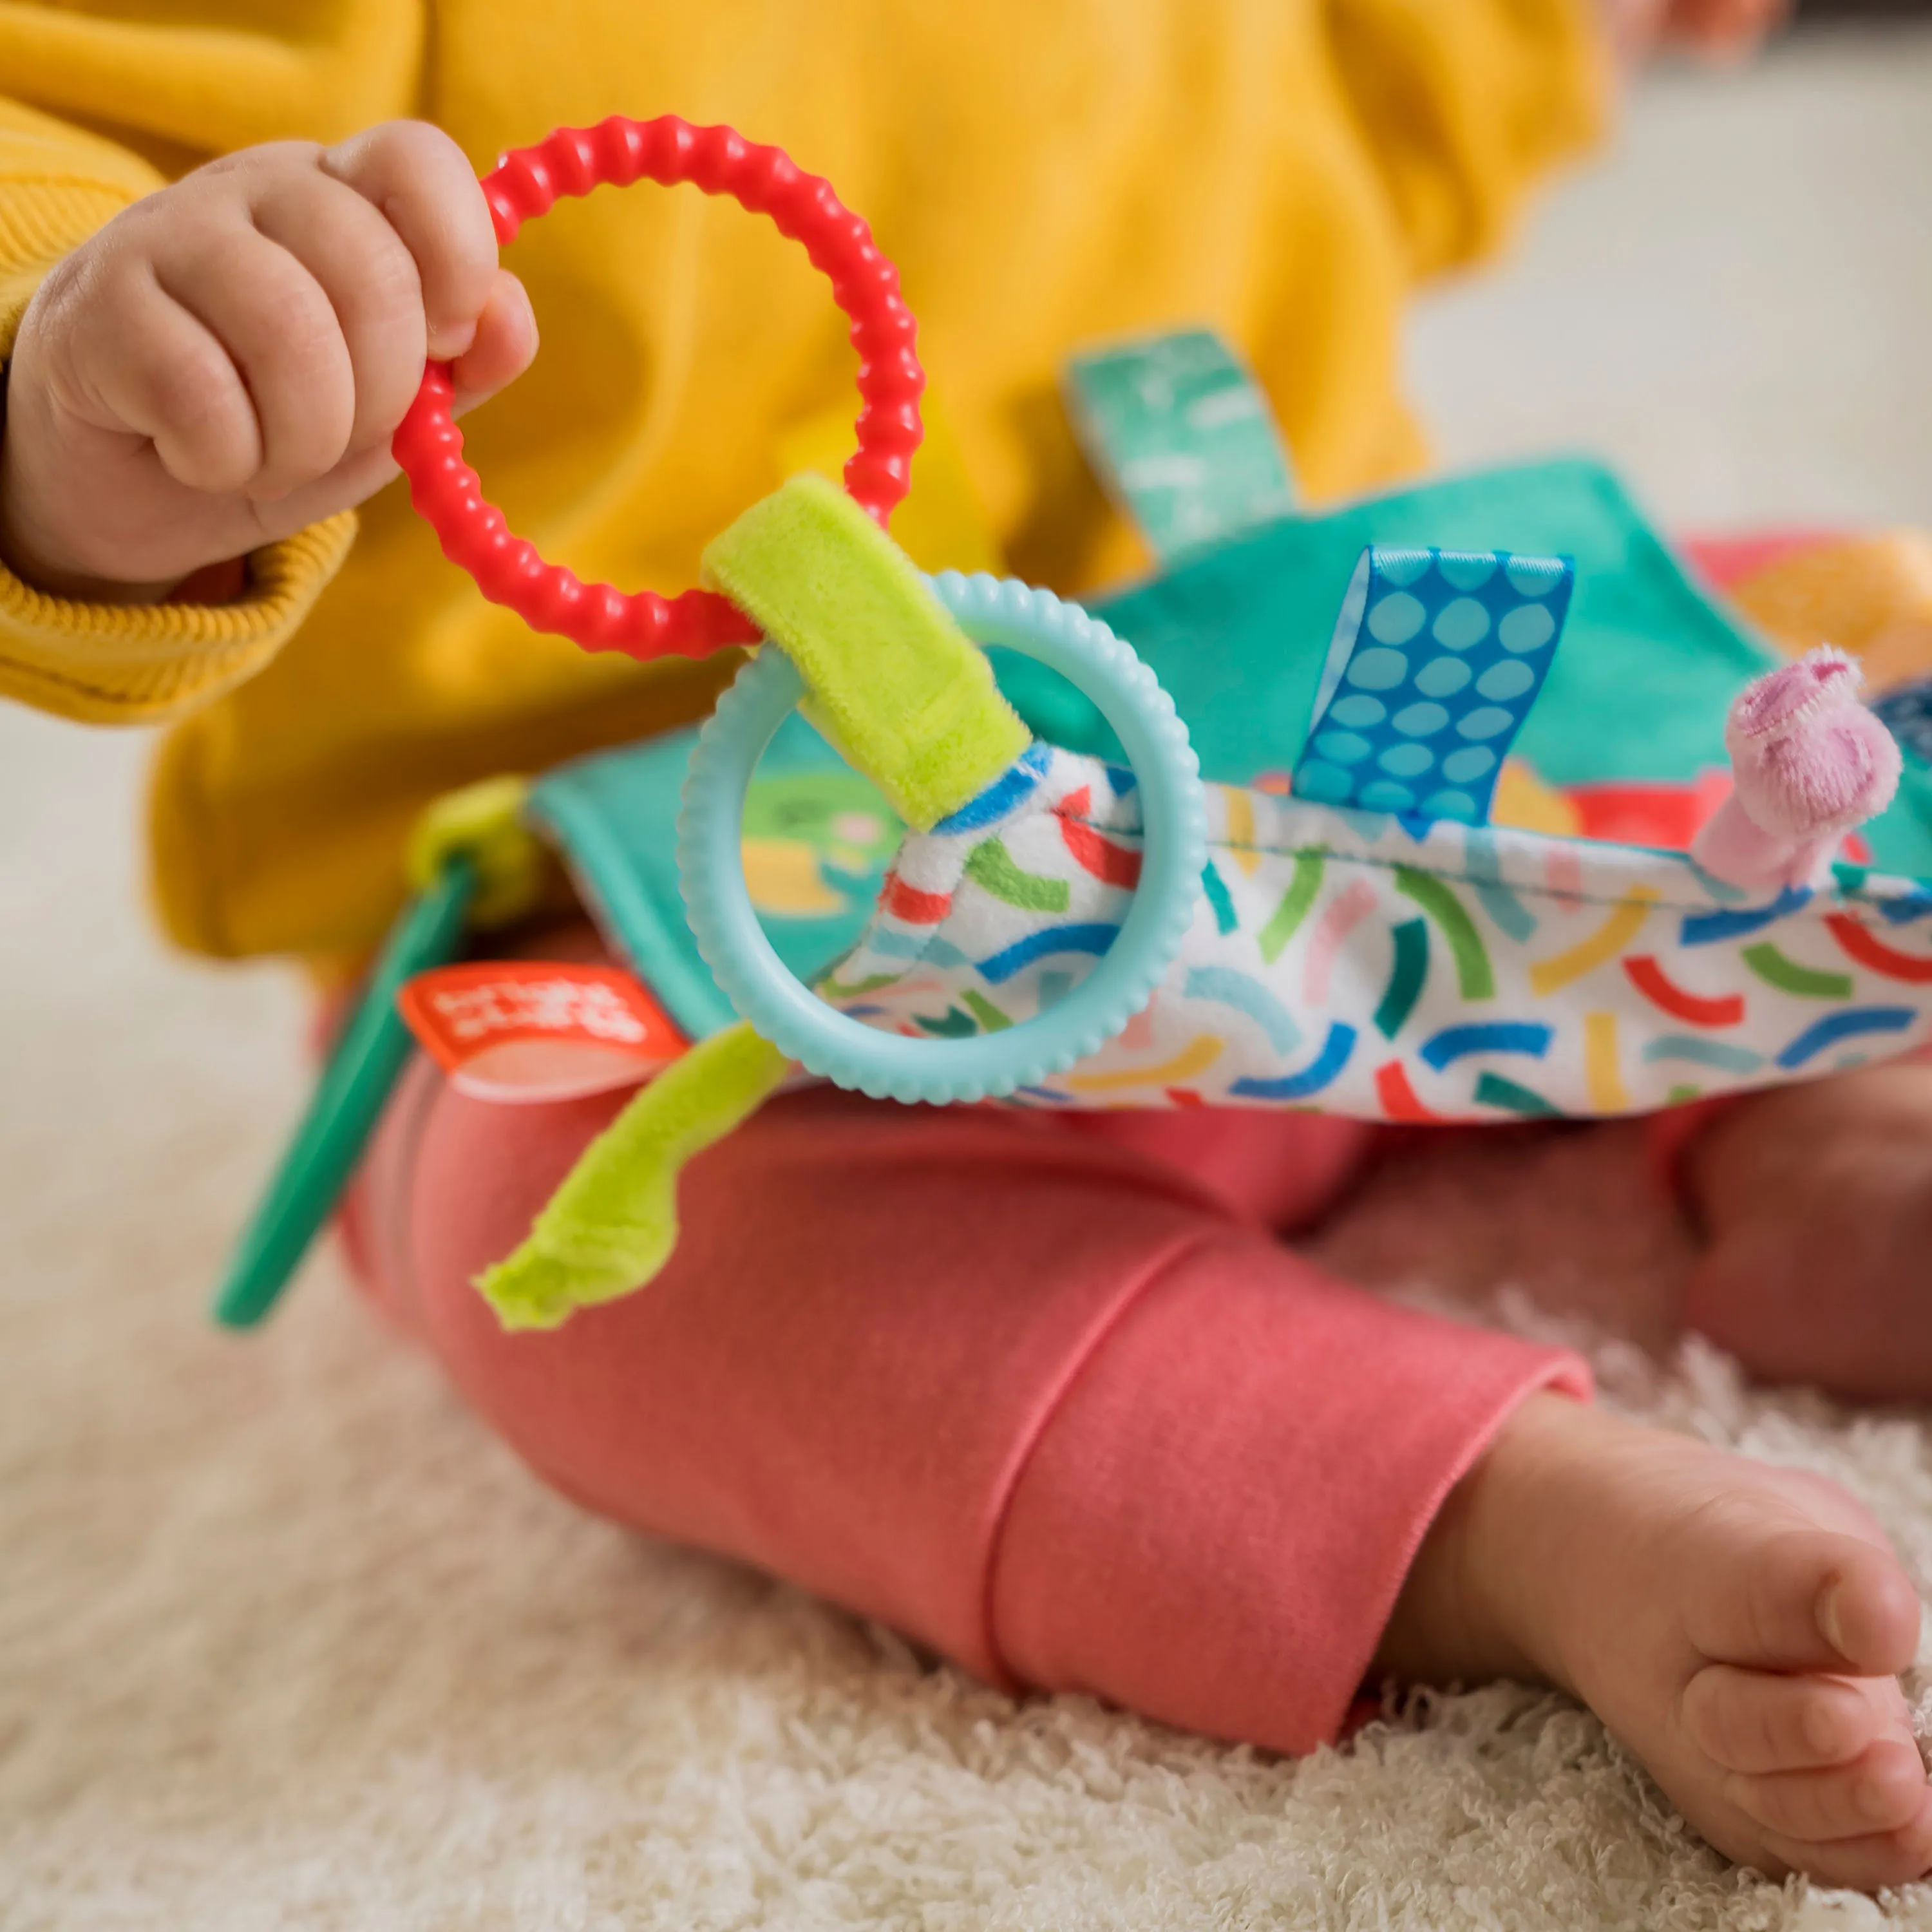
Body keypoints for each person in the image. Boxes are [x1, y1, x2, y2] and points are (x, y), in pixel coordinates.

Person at [14, 0, 1932, 1893]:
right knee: (554, 1213)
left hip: (1314, 786)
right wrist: (101, 372)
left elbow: (1383, 80)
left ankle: (1817, 1102)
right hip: (672, 925)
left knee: (1832, 669)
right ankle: (1484, 1522)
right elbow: (52, 137)